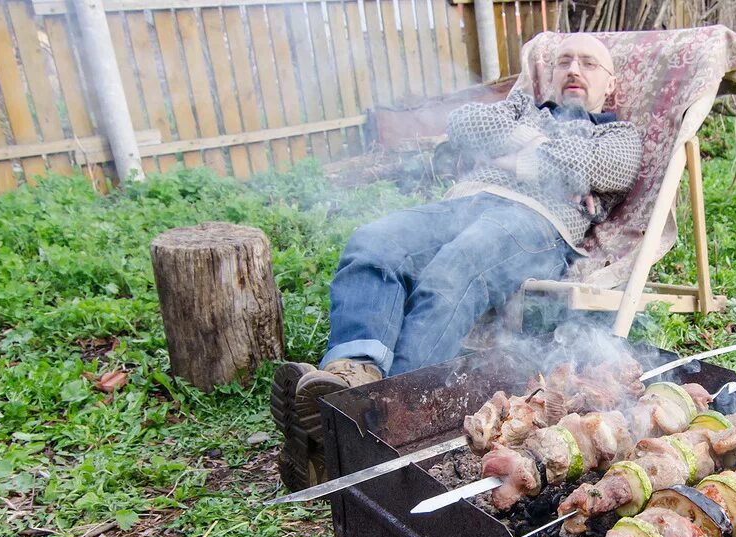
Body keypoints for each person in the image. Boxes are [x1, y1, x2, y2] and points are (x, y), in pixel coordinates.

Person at [270, 34, 643, 489]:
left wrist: (515, 154)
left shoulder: (616, 133)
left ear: (611, 84)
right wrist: (539, 151)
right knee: (373, 243)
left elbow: (609, 168)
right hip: (464, 203)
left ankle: (380, 420)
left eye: (588, 63)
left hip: (536, 222)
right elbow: (464, 124)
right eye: (564, 60)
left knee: (455, 270)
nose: (573, 70)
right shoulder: (523, 106)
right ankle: (352, 373)